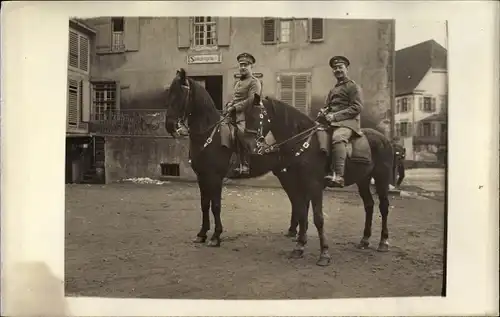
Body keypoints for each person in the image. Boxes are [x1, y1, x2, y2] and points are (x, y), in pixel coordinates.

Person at [317, 55, 364, 188]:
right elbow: (328, 107)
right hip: (332, 123)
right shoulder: (333, 90)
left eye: (340, 67)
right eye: (335, 68)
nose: (337, 70)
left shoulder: (353, 87)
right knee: (315, 135)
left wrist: (335, 116)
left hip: (348, 123)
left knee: (338, 138)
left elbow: (357, 107)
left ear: (346, 69)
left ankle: (339, 176)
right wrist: (324, 112)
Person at [225, 52, 262, 175]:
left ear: (251, 66)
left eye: (246, 65)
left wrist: (235, 107)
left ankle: (245, 164)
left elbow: (252, 100)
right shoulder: (238, 82)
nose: (243, 67)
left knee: (241, 134)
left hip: (248, 115)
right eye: (241, 65)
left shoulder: (254, 82)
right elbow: (236, 98)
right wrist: (230, 104)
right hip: (234, 113)